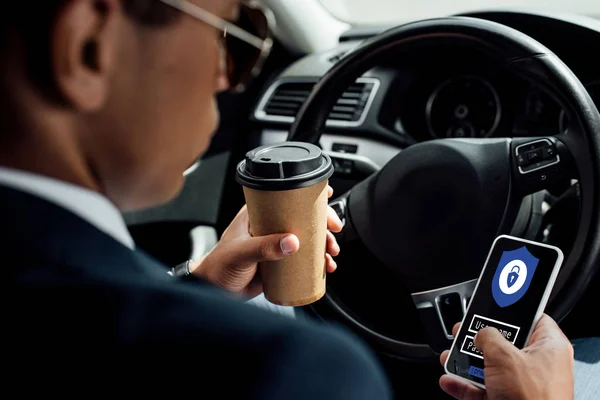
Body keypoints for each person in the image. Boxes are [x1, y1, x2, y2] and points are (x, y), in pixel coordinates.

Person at [0, 0, 589, 398]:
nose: (232, 78)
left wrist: (200, 293)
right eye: (233, 35)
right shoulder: (291, 373)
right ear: (86, 47)